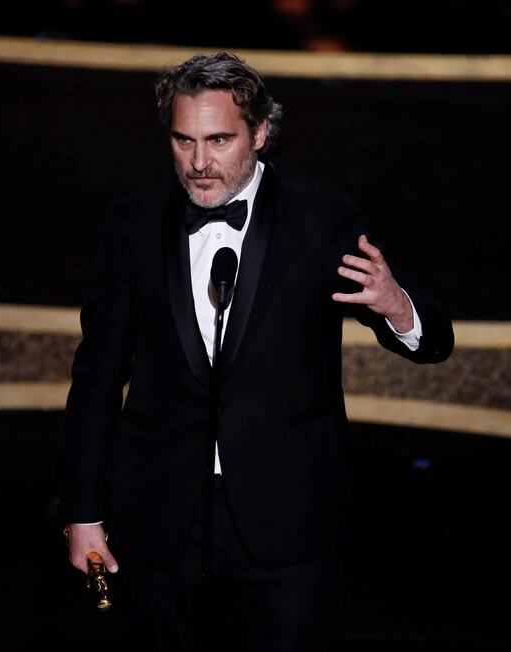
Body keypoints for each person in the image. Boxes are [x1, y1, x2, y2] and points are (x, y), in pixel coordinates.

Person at [57, 52, 454, 651]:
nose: (198, 163)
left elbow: (434, 343)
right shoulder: (131, 224)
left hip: (288, 522)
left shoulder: (320, 216)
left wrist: (396, 305)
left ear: (261, 132)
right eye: (183, 140)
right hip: (160, 518)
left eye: (218, 140)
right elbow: (96, 378)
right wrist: (82, 512)